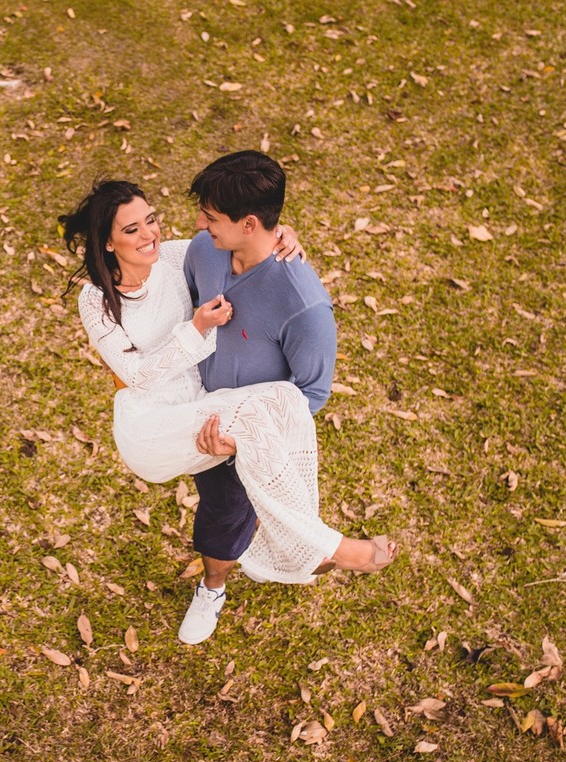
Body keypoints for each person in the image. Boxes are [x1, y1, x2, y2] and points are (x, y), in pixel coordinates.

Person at [61, 174, 395, 646]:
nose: (150, 234)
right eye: (131, 229)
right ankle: (320, 551)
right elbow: (136, 376)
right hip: (153, 426)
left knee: (271, 418)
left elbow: (233, 233)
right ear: (108, 242)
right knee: (257, 430)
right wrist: (195, 329)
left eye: (151, 220)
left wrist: (281, 232)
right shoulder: (97, 300)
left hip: (209, 411)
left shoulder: (177, 255)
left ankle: (294, 549)